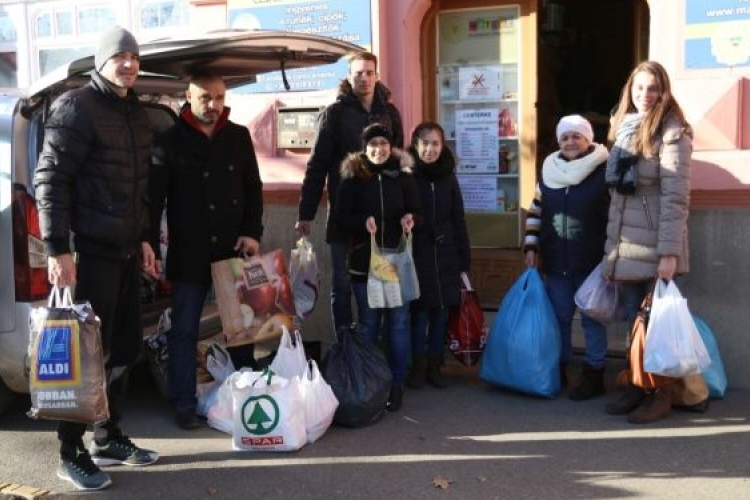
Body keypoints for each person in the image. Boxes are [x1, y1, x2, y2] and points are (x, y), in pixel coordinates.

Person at [33, 26, 158, 491]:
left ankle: (108, 436)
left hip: (125, 252)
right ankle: (70, 451)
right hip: (88, 255)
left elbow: (139, 186)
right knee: (83, 360)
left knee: (124, 349)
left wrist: (145, 238)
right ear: (101, 61)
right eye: (119, 56)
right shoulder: (76, 108)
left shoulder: (135, 112)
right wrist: (58, 249)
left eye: (133, 56)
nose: (128, 63)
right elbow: (51, 180)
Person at [149, 71, 264, 430]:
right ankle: (183, 403)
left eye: (218, 97)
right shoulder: (169, 141)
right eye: (204, 98)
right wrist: (150, 246)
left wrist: (251, 232)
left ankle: (251, 395)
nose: (213, 105)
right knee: (183, 330)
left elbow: (253, 188)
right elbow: (154, 200)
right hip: (190, 250)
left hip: (233, 249)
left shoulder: (239, 136)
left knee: (241, 327)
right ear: (188, 97)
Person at [602, 60, 692, 424]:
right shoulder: (624, 130)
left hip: (655, 246)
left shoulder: (673, 134)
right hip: (626, 245)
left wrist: (669, 254)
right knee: (632, 321)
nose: (644, 95)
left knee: (655, 326)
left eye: (652, 88)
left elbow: (676, 199)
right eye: (638, 88)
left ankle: (661, 394)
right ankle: (636, 385)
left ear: (663, 91)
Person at [296, 52, 404, 335]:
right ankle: (345, 349)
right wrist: (305, 213)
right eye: (358, 73)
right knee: (342, 285)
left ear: (377, 75)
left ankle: (374, 351)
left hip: (382, 214)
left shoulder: (390, 114)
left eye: (369, 72)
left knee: (381, 283)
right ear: (349, 77)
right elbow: (317, 166)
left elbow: (398, 163)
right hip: (344, 213)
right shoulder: (334, 113)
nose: (364, 78)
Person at [335, 123, 421, 412]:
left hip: (395, 262)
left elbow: (416, 210)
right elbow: (339, 219)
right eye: (373, 144)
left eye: (384, 143)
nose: (379, 149)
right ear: (365, 147)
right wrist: (362, 223)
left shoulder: (404, 176)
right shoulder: (353, 178)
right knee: (369, 324)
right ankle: (369, 383)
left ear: (392, 146)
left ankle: (396, 384)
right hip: (364, 263)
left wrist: (410, 218)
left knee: (398, 324)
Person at [523, 115, 610, 400]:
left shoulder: (603, 172)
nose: (571, 142)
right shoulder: (548, 172)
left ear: (589, 140)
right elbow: (536, 213)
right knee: (559, 318)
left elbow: (614, 217)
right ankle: (559, 369)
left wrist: (612, 254)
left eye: (577, 136)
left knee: (591, 320)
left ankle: (594, 373)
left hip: (591, 262)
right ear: (559, 142)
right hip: (556, 260)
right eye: (565, 137)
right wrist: (531, 248)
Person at [406, 122, 471, 389]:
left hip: (445, 252)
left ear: (442, 146)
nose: (430, 149)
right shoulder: (408, 174)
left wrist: (464, 259)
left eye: (435, 143)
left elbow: (458, 218)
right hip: (418, 251)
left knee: (441, 313)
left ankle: (436, 364)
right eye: (425, 143)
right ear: (416, 145)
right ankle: (418, 366)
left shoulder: (448, 176)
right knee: (420, 312)